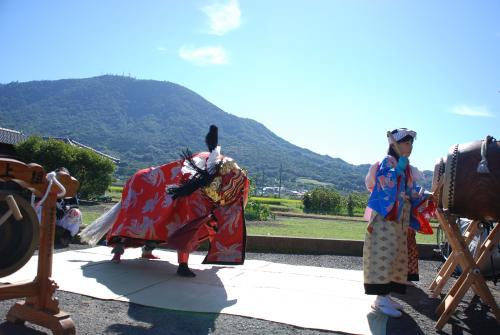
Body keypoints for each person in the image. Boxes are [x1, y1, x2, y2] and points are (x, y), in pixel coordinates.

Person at [80, 125, 250, 277]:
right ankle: (123, 250)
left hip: (194, 189)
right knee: (166, 221)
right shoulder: (200, 176)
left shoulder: (214, 172)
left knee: (165, 221)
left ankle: (148, 250)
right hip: (154, 188)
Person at [363, 128, 434, 318]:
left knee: (394, 255)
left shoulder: (404, 164)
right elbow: (384, 182)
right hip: (385, 219)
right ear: (395, 144)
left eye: (411, 143)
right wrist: (398, 171)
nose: (410, 147)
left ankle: (386, 295)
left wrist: (421, 195)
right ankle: (379, 299)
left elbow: (409, 190)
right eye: (407, 143)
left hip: (398, 220)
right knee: (382, 254)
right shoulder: (388, 161)